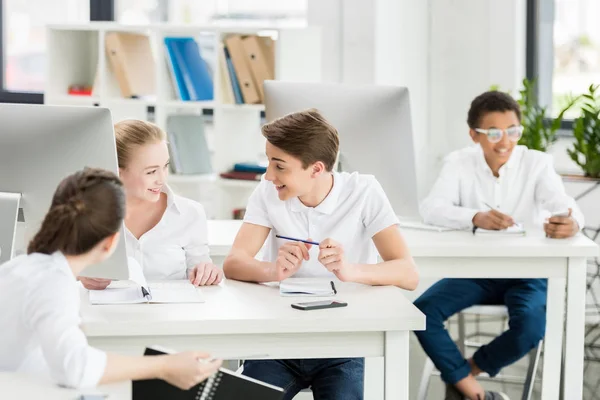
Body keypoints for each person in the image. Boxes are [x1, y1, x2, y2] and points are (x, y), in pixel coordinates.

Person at [223, 109, 419, 400]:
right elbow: (233, 263)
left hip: (341, 344)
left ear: (315, 169)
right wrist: (273, 270)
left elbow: (408, 273)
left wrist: (350, 270)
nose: (268, 175)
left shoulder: (363, 191)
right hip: (277, 341)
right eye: (268, 163)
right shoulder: (267, 192)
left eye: (279, 166)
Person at [416, 91, 584, 400]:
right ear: (474, 135)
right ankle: (473, 391)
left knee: (532, 326)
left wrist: (572, 222)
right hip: (476, 272)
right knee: (422, 311)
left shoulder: (537, 163)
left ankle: (465, 374)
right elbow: (431, 208)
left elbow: (564, 205)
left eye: (512, 131)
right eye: (493, 133)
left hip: (528, 273)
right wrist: (475, 216)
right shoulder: (459, 162)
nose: (504, 141)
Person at [0, 168, 221, 389]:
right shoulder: (53, 284)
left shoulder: (23, 268)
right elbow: (76, 369)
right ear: (111, 242)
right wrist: (164, 366)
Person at [80, 120, 222, 290]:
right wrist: (82, 274)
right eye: (151, 171)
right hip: (110, 315)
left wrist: (208, 272)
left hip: (171, 315)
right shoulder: (86, 213)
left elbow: (200, 269)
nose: (162, 179)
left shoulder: (190, 213)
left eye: (165, 166)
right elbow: (64, 267)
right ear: (118, 171)